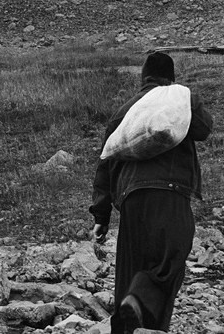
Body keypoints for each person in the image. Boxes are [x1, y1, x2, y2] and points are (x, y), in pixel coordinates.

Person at [90, 52, 213, 334]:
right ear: (172, 77)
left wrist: (101, 215)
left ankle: (125, 325)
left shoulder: (125, 111)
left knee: (131, 271)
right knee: (169, 261)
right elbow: (204, 129)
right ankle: (143, 306)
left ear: (142, 78)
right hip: (169, 194)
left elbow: (105, 165)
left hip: (130, 201)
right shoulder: (180, 97)